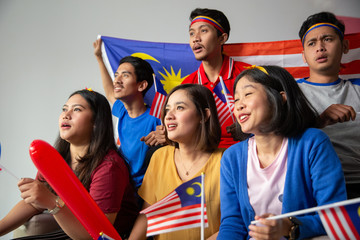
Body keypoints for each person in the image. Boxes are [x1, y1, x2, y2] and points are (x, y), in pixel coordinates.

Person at [218, 66, 347, 239]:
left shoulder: (313, 143)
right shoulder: (231, 157)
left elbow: (335, 215)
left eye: (248, 94)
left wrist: (290, 226)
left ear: (280, 98)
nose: (239, 105)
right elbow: (232, 223)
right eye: (236, 99)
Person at [0, 89, 138, 239]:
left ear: (95, 122)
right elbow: (33, 203)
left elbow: (99, 235)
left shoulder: (109, 167)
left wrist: (52, 202)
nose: (66, 115)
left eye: (77, 109)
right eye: (64, 109)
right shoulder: (54, 158)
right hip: (72, 229)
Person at [143, 8, 249, 149]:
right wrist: (168, 134)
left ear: (222, 38)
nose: (195, 38)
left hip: (243, 151)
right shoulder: (188, 84)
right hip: (202, 153)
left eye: (203, 31)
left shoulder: (248, 75)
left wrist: (249, 130)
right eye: (191, 33)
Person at [128, 84, 223, 240]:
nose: (169, 116)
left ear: (204, 116)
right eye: (167, 109)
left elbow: (235, 222)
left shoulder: (226, 160)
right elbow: (148, 213)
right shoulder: (159, 157)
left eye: (180, 108)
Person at [297, 12, 360, 199]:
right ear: (303, 56)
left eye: (327, 39)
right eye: (312, 43)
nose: (320, 48)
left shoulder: (357, 89)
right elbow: (275, 139)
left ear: (345, 46)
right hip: (313, 184)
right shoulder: (290, 93)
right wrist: (319, 121)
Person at [93, 41, 161, 189]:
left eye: (125, 75)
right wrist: (99, 58)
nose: (117, 80)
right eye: (116, 75)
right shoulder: (122, 110)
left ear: (141, 85)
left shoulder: (156, 118)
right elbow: (110, 93)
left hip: (145, 191)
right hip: (121, 186)